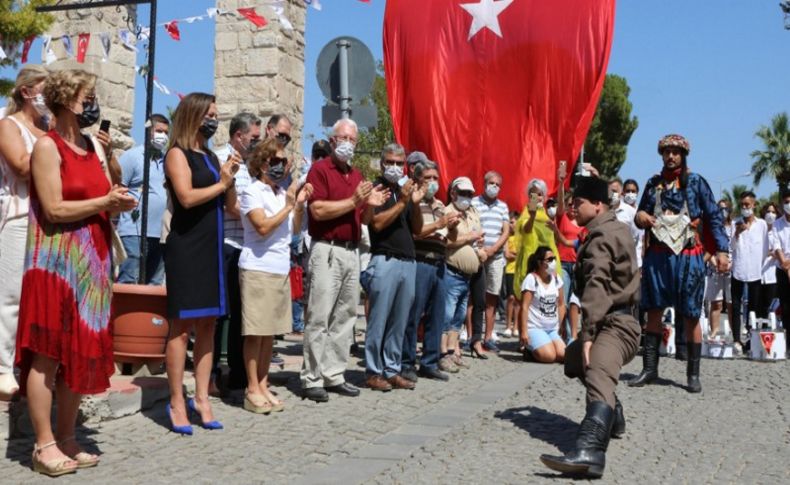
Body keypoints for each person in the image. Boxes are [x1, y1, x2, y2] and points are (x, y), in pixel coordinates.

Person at [16, 69, 137, 476]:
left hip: (92, 263)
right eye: (88, 97)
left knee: (78, 353)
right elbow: (53, 209)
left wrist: (115, 200)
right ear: (67, 100)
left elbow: (100, 193)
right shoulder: (47, 147)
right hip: (54, 265)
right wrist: (103, 201)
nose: (93, 103)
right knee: (47, 354)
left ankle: (67, 437)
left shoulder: (91, 146)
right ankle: (43, 444)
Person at [539, 176, 639, 479]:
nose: (573, 208)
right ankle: (614, 415)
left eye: (578, 202)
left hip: (617, 324)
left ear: (597, 205)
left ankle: (591, 450)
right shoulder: (607, 227)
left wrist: (589, 334)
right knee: (572, 361)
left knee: (594, 366)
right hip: (613, 319)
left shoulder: (602, 236)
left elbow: (596, 282)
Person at [164, 93, 240, 434]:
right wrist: (220, 184)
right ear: (193, 115)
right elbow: (186, 197)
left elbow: (230, 205)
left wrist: (230, 179)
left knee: (208, 324)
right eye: (209, 114)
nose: (214, 119)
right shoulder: (176, 154)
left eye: (216, 114)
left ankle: (201, 397)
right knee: (181, 328)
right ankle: (176, 400)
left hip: (212, 246)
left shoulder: (209, 155)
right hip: (187, 247)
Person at [629, 134, 729, 393]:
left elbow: (714, 216)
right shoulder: (652, 184)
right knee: (652, 311)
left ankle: (692, 374)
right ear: (661, 154)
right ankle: (650, 369)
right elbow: (640, 216)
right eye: (666, 151)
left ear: (683, 155)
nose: (671, 156)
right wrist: (641, 216)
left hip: (688, 255)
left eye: (675, 152)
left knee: (691, 315)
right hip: (657, 257)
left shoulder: (696, 182)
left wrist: (722, 250)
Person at [300, 118, 387, 403]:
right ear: (333, 140)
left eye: (352, 140)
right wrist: (353, 201)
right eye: (343, 138)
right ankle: (312, 377)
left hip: (352, 250)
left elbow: (362, 219)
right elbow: (318, 211)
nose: (347, 144)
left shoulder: (357, 175)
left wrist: (369, 207)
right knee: (319, 314)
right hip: (327, 248)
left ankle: (334, 373)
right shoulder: (320, 169)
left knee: (346, 316)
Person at [238, 138, 312, 413]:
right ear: (261, 163)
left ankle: (263, 383)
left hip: (279, 267)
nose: (280, 166)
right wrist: (288, 206)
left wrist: (298, 205)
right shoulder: (252, 191)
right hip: (257, 267)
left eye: (284, 161)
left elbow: (291, 230)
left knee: (270, 334)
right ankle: (251, 388)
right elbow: (262, 227)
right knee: (255, 332)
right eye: (275, 161)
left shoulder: (281, 193)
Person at [0, 65, 49, 400]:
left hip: (47, 217)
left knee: (40, 295)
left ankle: (29, 364)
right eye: (44, 90)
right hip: (18, 214)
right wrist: (53, 150)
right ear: (26, 91)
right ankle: (2, 367)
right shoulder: (9, 124)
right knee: (12, 295)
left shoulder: (47, 127)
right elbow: (19, 165)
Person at [363, 144, 423, 391]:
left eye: (400, 163)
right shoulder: (377, 188)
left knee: (400, 320)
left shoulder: (404, 189)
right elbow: (376, 224)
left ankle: (392, 368)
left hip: (408, 261)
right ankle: (373, 370)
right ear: (382, 163)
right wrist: (402, 203)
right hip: (384, 259)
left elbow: (417, 229)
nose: (395, 167)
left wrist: (415, 203)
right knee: (379, 319)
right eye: (391, 162)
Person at [210, 112, 261, 395]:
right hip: (228, 241)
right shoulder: (219, 157)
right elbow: (230, 206)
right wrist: (259, 215)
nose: (257, 142)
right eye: (254, 137)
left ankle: (239, 375)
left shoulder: (255, 164)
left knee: (244, 314)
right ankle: (214, 372)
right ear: (239, 136)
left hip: (249, 246)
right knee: (221, 313)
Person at [402, 159, 456, 382]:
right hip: (420, 261)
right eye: (427, 178)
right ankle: (406, 362)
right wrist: (439, 224)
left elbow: (450, 239)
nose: (432, 182)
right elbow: (415, 232)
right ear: (417, 180)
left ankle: (430, 361)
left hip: (440, 263)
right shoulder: (413, 204)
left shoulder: (440, 205)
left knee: (437, 316)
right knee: (414, 314)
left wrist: (451, 227)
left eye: (435, 178)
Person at [116, 113, 170, 285]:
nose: (163, 136)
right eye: (159, 131)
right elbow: (118, 187)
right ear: (148, 131)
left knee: (154, 282)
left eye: (165, 132)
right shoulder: (132, 157)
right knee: (130, 279)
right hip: (134, 231)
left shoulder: (167, 160)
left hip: (160, 233)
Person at [442, 177, 483, 367]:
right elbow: (447, 242)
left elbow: (478, 235)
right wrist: (470, 237)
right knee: (446, 316)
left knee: (458, 318)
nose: (467, 197)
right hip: (451, 272)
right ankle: (442, 353)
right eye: (463, 193)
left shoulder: (472, 213)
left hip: (467, 276)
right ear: (453, 193)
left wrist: (478, 244)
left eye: (470, 194)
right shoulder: (447, 212)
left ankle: (452, 352)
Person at [291, 140, 331, 335]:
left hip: (328, 242)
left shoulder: (332, 176)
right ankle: (310, 335)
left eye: (325, 156)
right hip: (308, 242)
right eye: (318, 155)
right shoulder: (305, 178)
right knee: (310, 294)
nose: (321, 159)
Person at [472, 171, 511, 352]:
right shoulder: (473, 203)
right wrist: (480, 249)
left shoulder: (503, 206)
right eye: (491, 183)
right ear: (484, 183)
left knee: (492, 298)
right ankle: (472, 336)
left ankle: (488, 336)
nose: (494, 187)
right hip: (476, 254)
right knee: (473, 297)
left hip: (495, 257)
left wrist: (494, 249)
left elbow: (505, 232)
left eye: (498, 184)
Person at [729, 191, 768, 352]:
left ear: (754, 205)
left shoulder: (762, 225)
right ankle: (736, 339)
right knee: (736, 305)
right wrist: (737, 233)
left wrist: (760, 264)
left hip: (755, 270)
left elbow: (765, 247)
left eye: (747, 205)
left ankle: (751, 339)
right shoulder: (735, 223)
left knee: (754, 305)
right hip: (738, 269)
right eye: (742, 205)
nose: (745, 208)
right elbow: (731, 246)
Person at [514, 178, 561, 300]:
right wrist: (532, 217)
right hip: (531, 261)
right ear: (529, 196)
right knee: (528, 299)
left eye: (540, 194)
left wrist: (561, 182)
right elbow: (526, 230)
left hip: (548, 261)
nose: (537, 197)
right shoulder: (526, 213)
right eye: (534, 194)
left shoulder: (547, 215)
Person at [518, 246, 566, 363]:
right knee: (549, 357)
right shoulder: (531, 279)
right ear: (540, 262)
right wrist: (523, 331)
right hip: (535, 327)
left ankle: (547, 343)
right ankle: (529, 351)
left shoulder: (556, 278)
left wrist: (562, 325)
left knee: (563, 355)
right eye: (549, 259)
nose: (553, 262)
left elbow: (560, 304)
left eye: (554, 258)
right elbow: (524, 307)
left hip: (552, 328)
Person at [704, 199, 734, 336]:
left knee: (731, 303)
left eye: (725, 208)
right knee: (716, 303)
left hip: (731, 269)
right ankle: (714, 331)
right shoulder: (711, 227)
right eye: (720, 208)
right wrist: (714, 262)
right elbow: (706, 246)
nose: (723, 211)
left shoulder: (734, 227)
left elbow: (737, 248)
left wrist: (730, 264)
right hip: (714, 269)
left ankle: (735, 333)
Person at [770, 190, 790, 343]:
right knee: (786, 305)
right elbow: (776, 246)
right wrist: (785, 265)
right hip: (782, 269)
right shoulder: (777, 224)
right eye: (786, 202)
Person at [609, 177, 643, 268]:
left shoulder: (634, 212)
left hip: (632, 262)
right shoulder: (606, 211)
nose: (630, 194)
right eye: (628, 191)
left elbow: (637, 237)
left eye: (633, 191)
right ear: (623, 193)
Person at [502, 212, 520, 337]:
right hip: (510, 270)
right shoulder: (507, 237)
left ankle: (516, 326)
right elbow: (507, 255)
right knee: (511, 298)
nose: (511, 225)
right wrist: (517, 255)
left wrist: (516, 255)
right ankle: (508, 325)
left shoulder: (522, 237)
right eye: (509, 222)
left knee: (519, 299)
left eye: (512, 222)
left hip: (520, 271)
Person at [760, 202, 779, 318]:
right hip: (758, 275)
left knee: (771, 307)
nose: (770, 215)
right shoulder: (759, 231)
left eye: (773, 212)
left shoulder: (778, 231)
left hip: (773, 275)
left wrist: (774, 253)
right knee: (758, 307)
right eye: (768, 211)